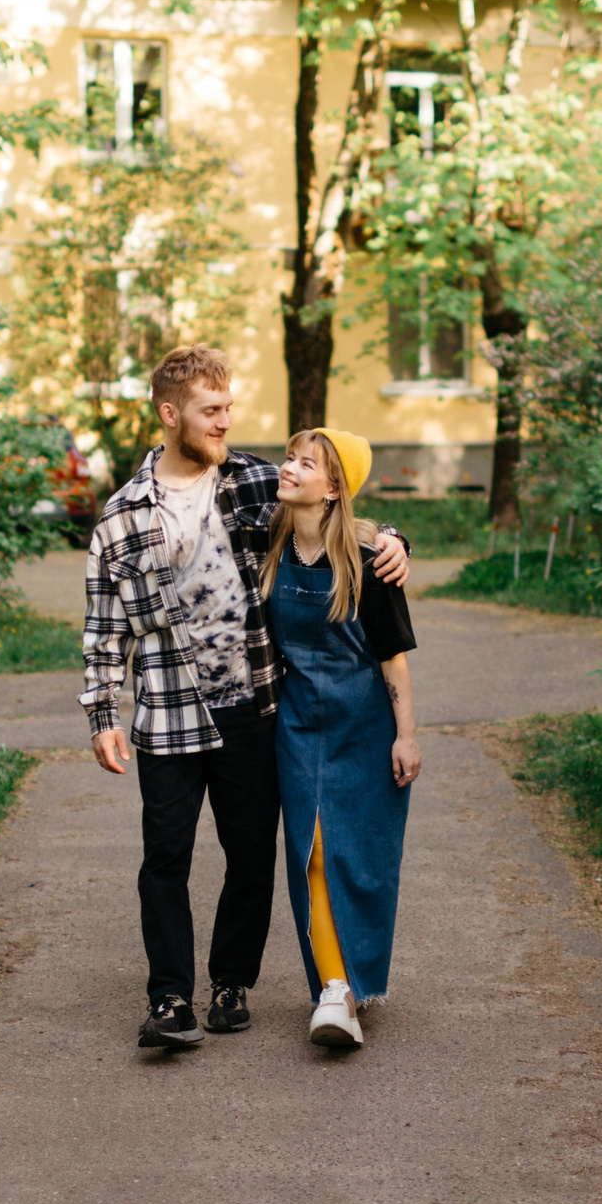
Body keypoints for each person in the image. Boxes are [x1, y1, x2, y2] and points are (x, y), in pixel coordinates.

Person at [80, 347, 409, 1051]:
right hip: (166, 711)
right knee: (164, 856)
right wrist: (103, 712)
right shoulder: (122, 516)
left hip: (253, 707)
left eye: (228, 408)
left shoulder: (256, 482)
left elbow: (336, 508)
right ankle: (169, 998)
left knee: (251, 852)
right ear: (171, 415)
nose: (225, 422)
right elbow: (104, 627)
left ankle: (231, 980)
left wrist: (394, 540)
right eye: (211, 411)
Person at [261, 427, 419, 1050]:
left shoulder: (368, 560)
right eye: (290, 457)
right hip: (298, 724)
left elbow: (394, 658)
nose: (290, 468)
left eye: (308, 464)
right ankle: (333, 990)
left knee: (362, 859)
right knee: (311, 852)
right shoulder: (270, 540)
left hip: (365, 724)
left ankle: (350, 988)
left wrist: (406, 736)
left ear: (334, 488)